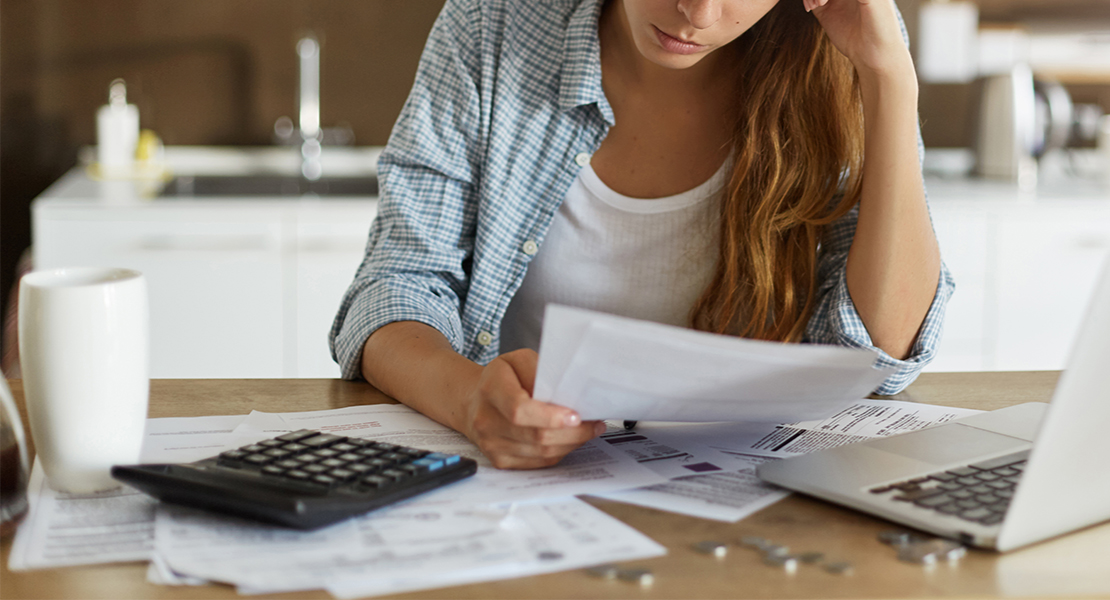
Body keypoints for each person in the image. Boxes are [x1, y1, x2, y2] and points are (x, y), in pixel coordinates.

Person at [331, 0, 954, 470]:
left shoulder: (840, 47)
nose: (696, 13)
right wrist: (471, 400)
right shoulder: (492, 25)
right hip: (529, 484)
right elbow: (397, 289)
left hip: (746, 494)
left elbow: (879, 356)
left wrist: (888, 78)